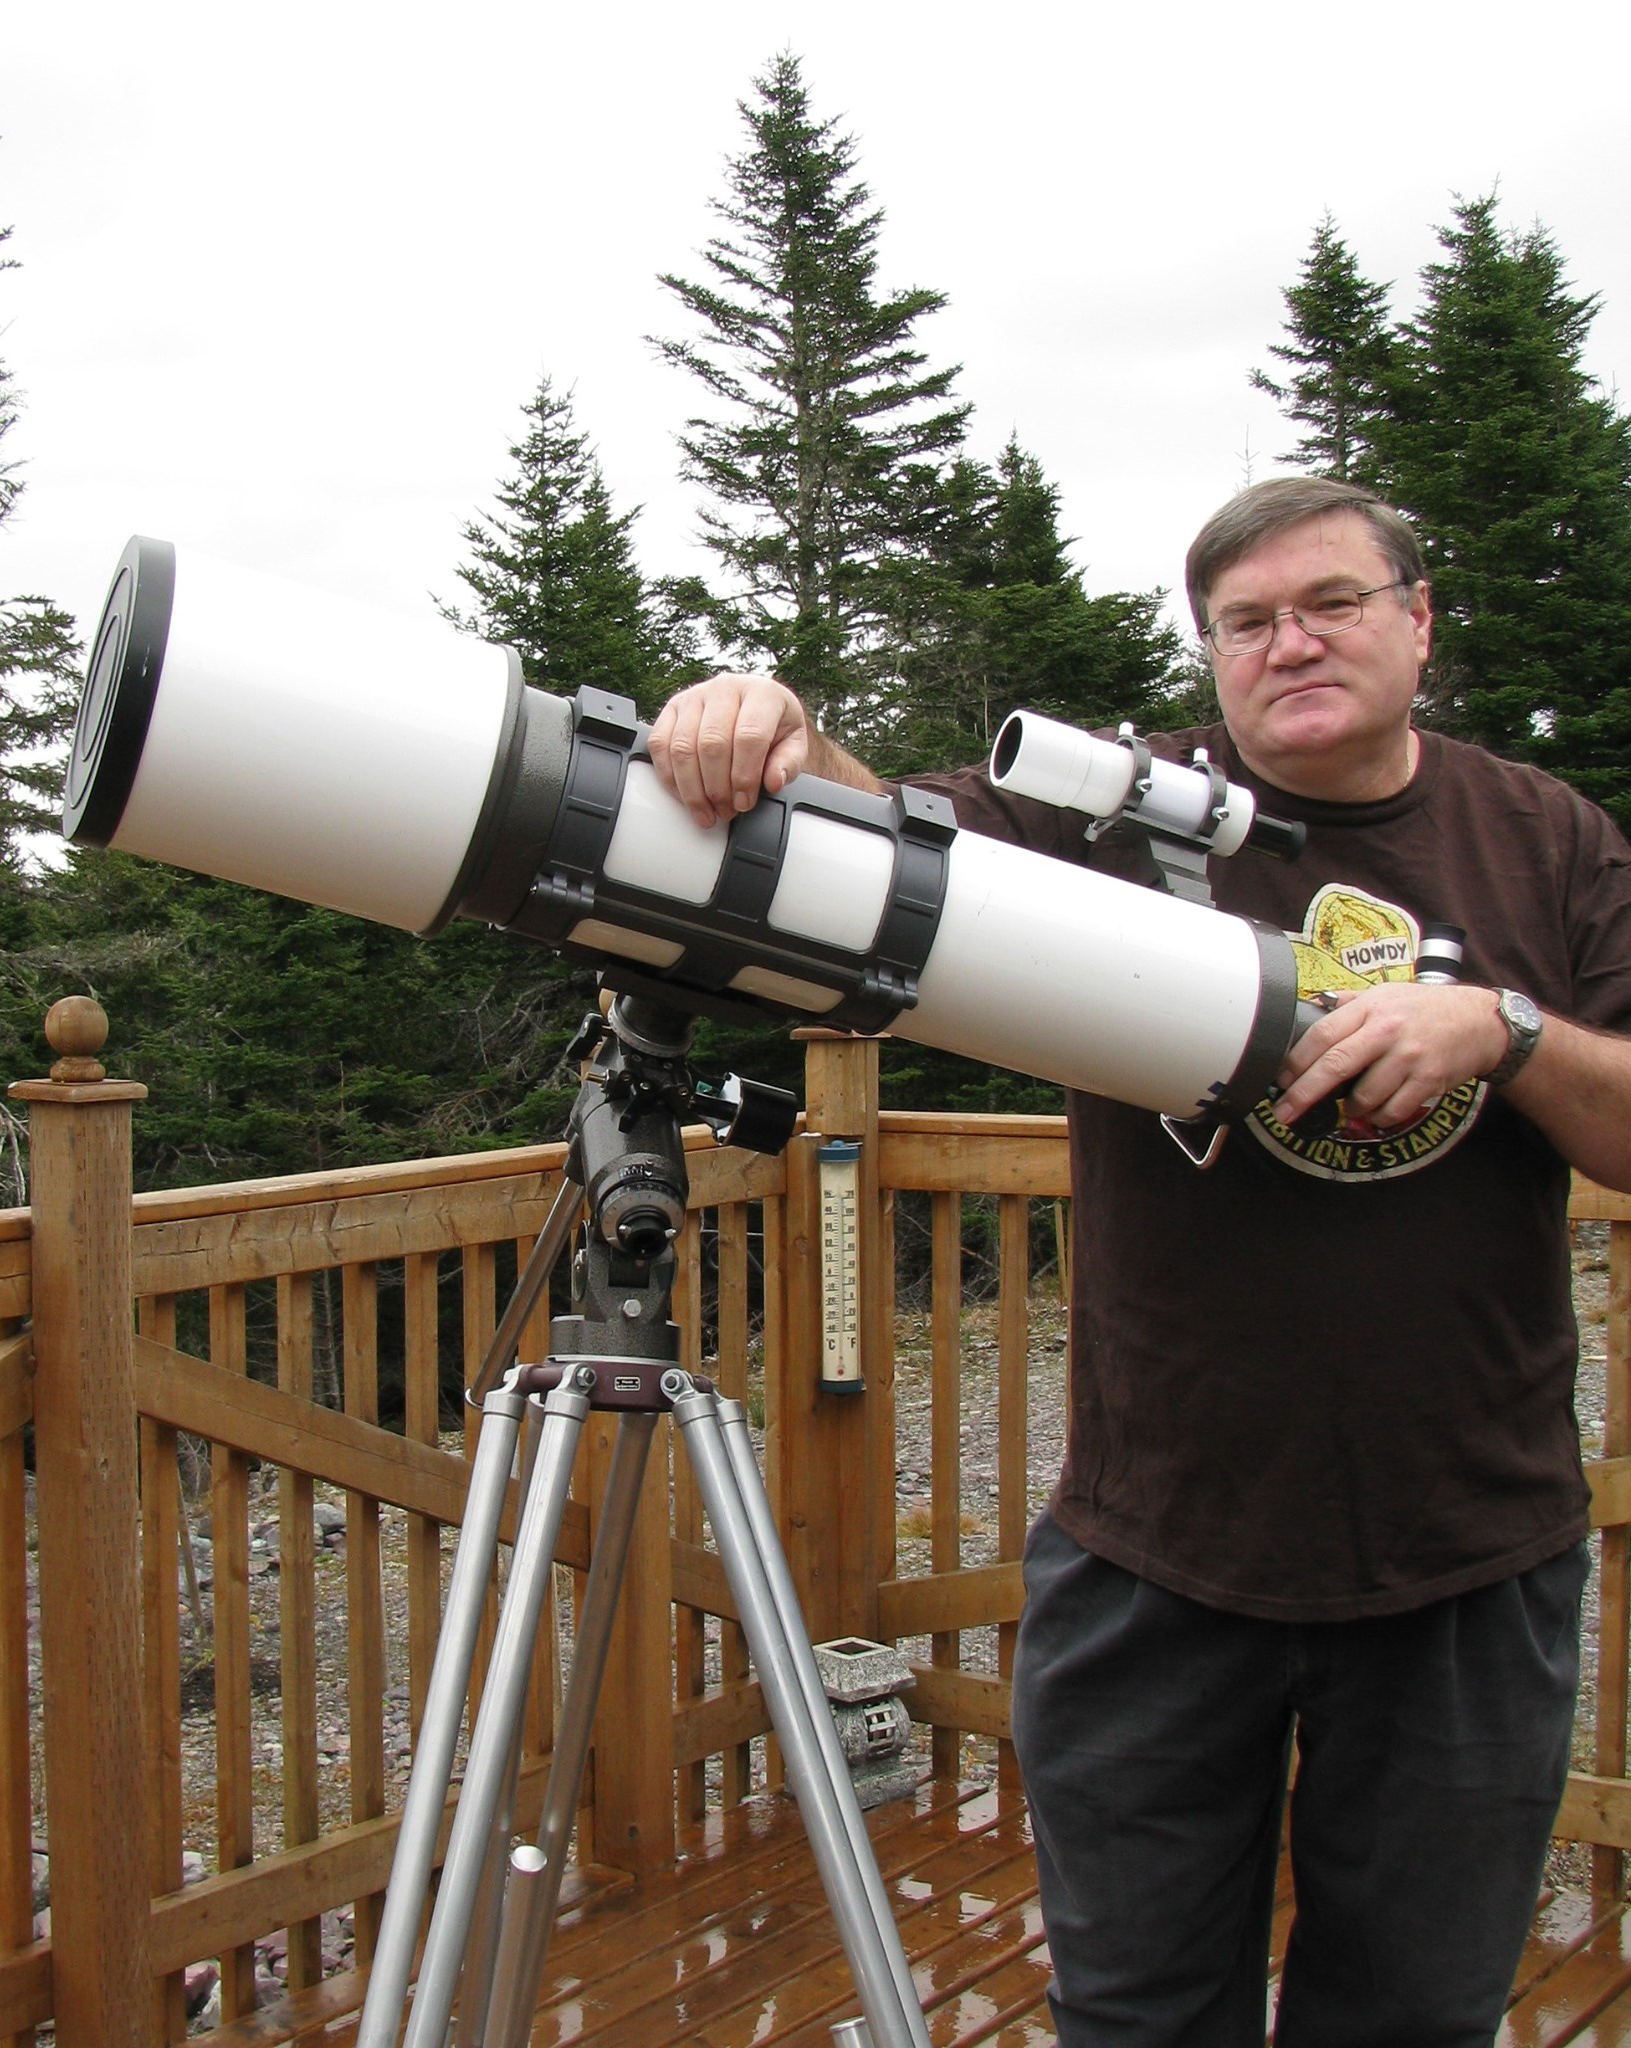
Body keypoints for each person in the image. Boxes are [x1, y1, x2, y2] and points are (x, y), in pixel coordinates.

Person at [644, 475, 1631, 2046]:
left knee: (1413, 2020)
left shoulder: (1547, 839)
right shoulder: (1121, 809)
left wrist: (1500, 1031)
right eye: (1248, 623)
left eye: (1333, 604)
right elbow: (871, 849)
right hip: (1156, 1561)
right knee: (1136, 2018)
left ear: (1420, 620)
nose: (1291, 644)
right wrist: (772, 725)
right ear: (1212, 652)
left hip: (1467, 1557)